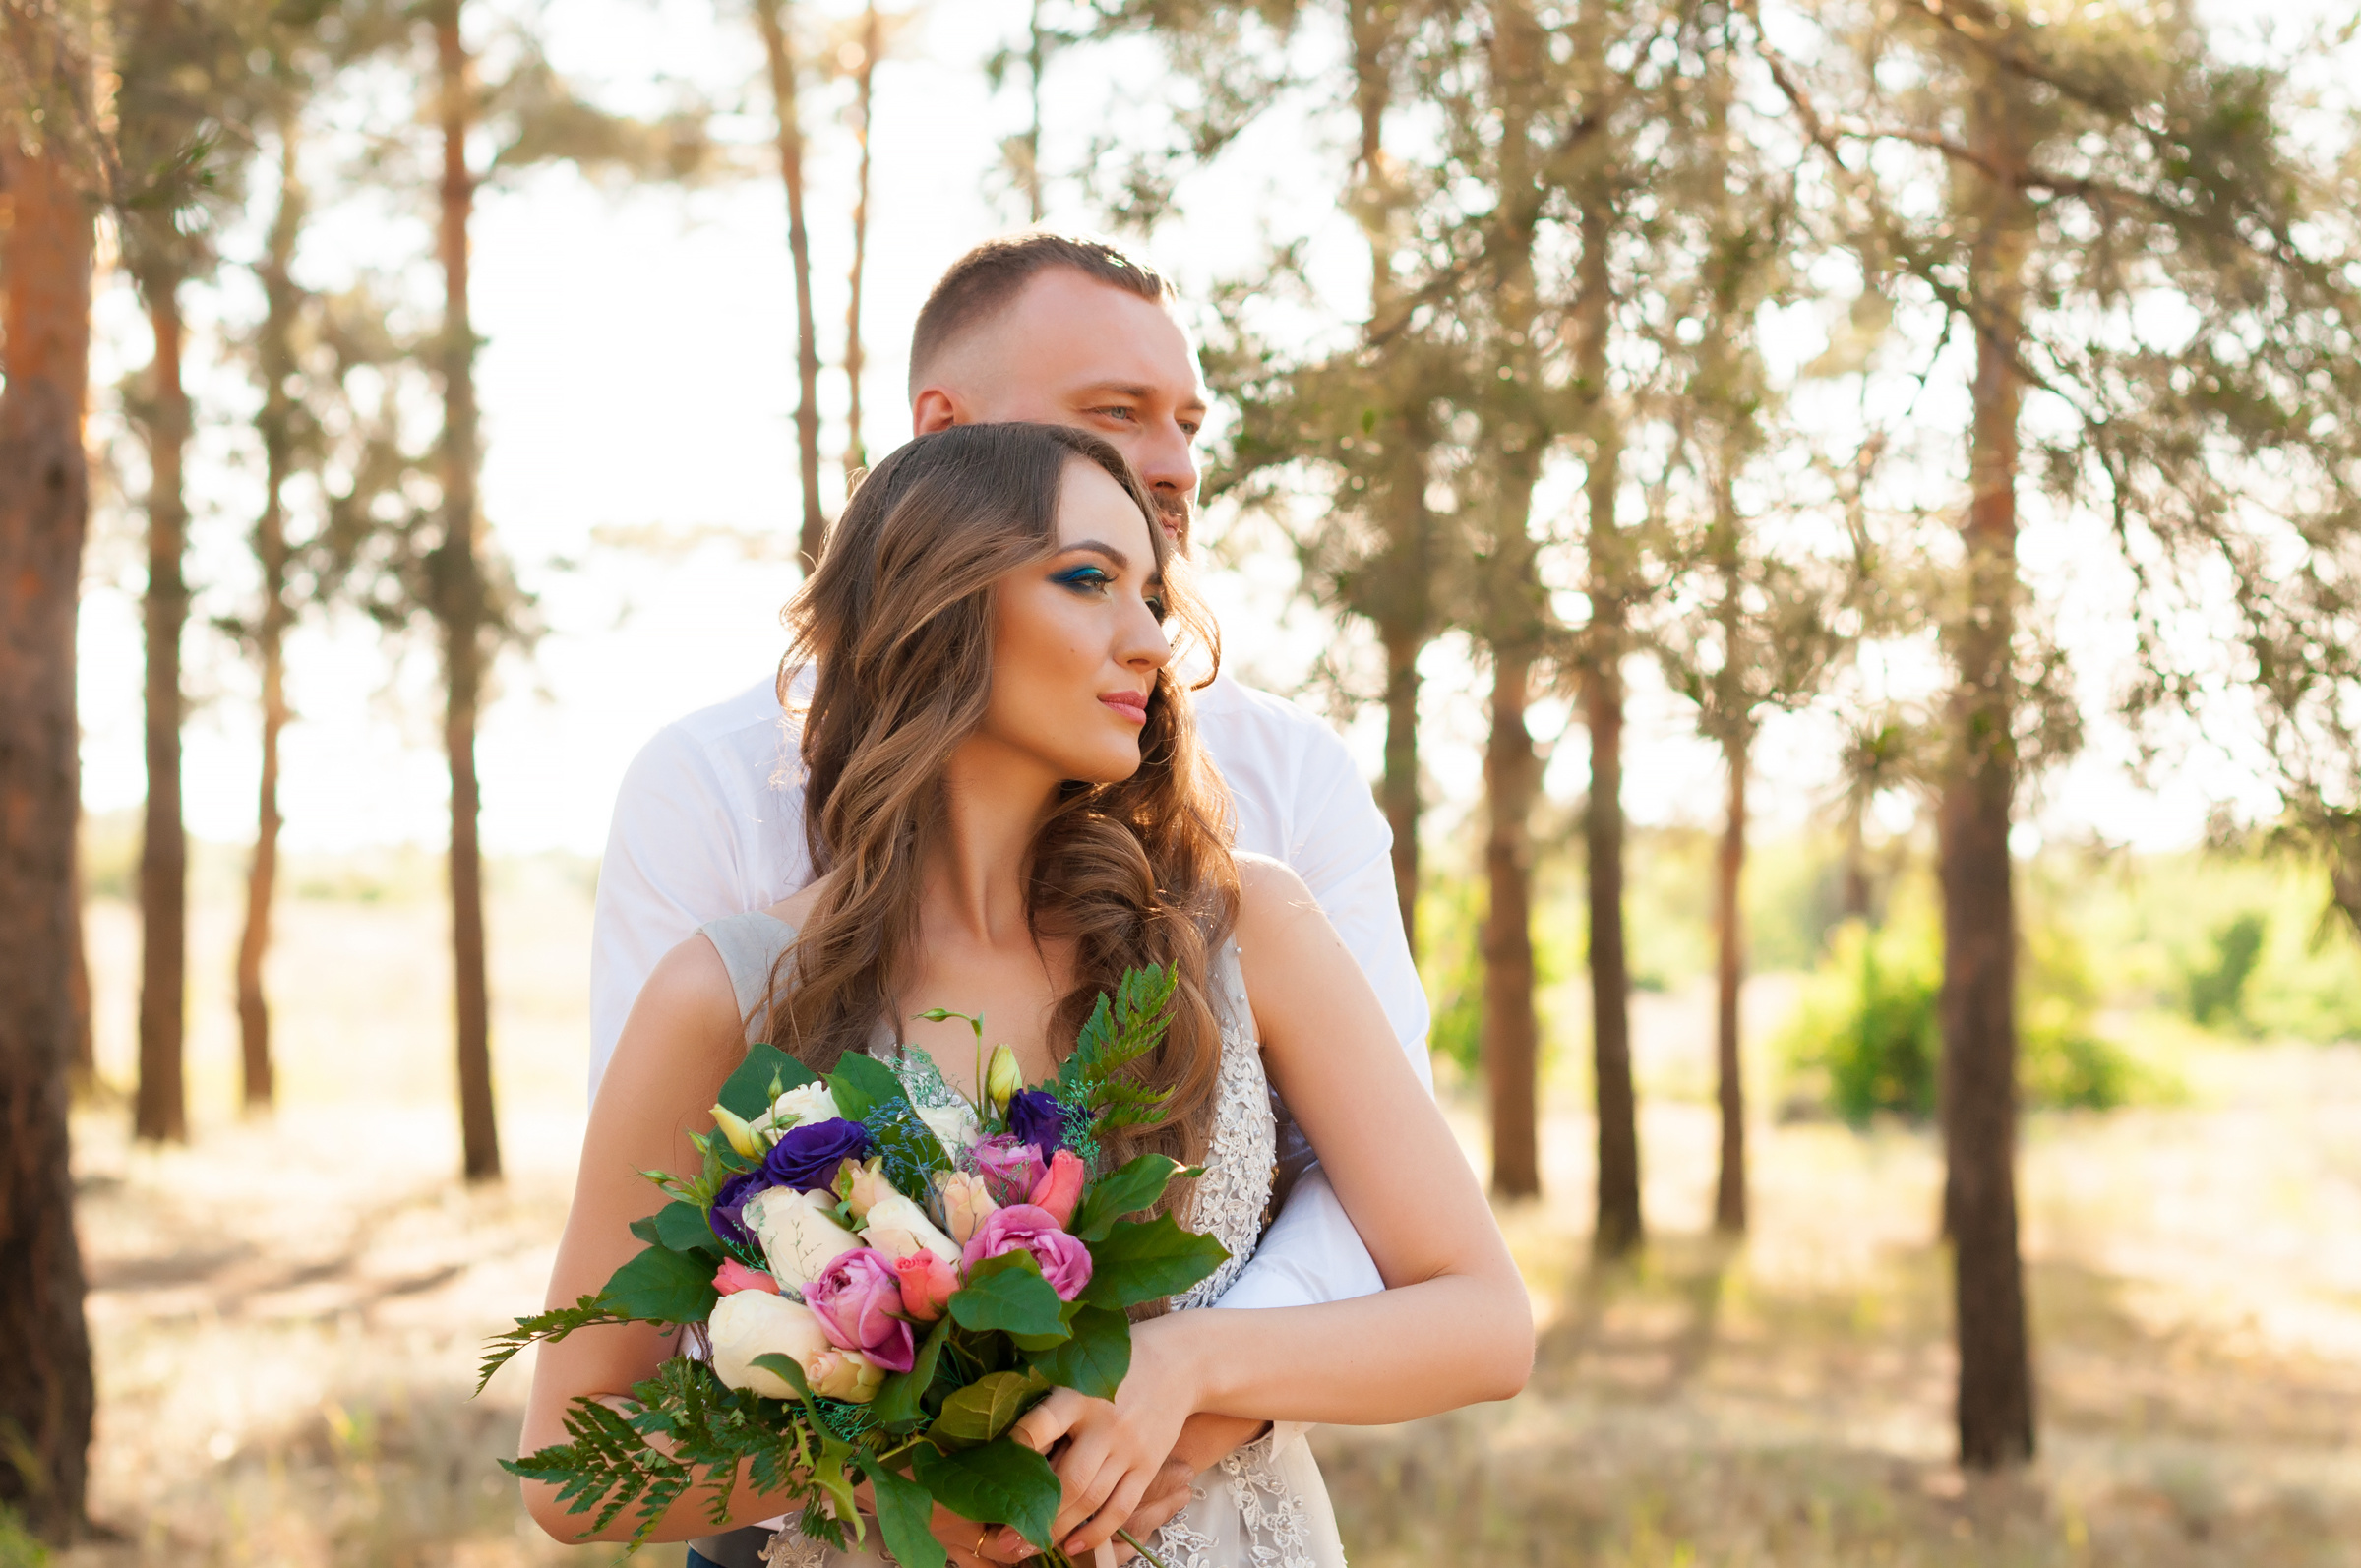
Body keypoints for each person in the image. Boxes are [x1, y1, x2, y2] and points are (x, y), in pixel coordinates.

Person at [527, 422, 1532, 1565]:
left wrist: (1189, 1365)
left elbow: (1485, 1321)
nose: (1152, 636)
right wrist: (876, 1472)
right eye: (1091, 579)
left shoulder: (1242, 930)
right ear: (939, 600)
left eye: (1154, 594)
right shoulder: (734, 993)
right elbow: (570, 1455)